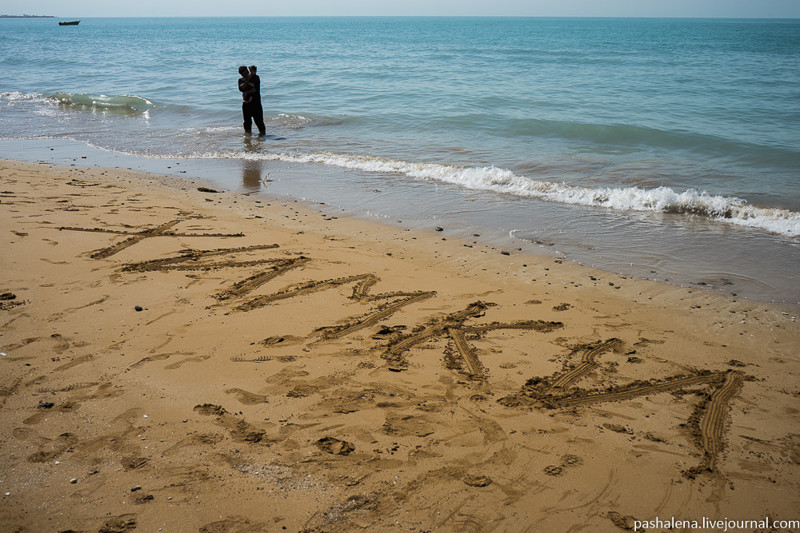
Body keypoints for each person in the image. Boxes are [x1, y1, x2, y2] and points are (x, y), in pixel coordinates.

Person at [238, 65, 266, 136]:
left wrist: (247, 92)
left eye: (248, 72)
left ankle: (262, 139)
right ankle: (247, 140)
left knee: (260, 123)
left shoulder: (256, 78)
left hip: (256, 104)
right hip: (246, 105)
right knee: (247, 124)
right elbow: (242, 88)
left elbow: (255, 89)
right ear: (241, 74)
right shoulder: (241, 80)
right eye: (245, 73)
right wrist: (248, 79)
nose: (247, 73)